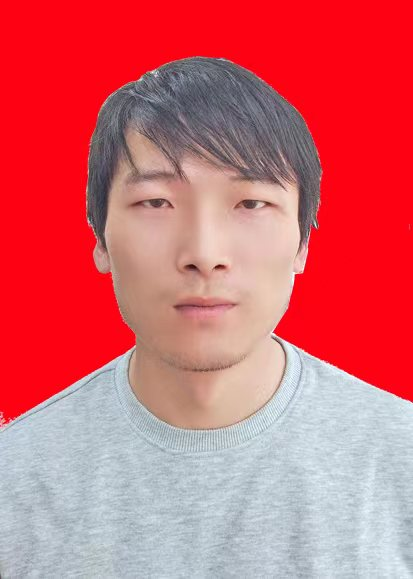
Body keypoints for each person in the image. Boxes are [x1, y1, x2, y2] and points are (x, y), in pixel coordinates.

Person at [0, 56, 412, 578]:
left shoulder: (401, 462)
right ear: (100, 238)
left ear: (303, 243)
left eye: (251, 204)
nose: (204, 253)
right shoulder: (14, 480)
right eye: (156, 202)